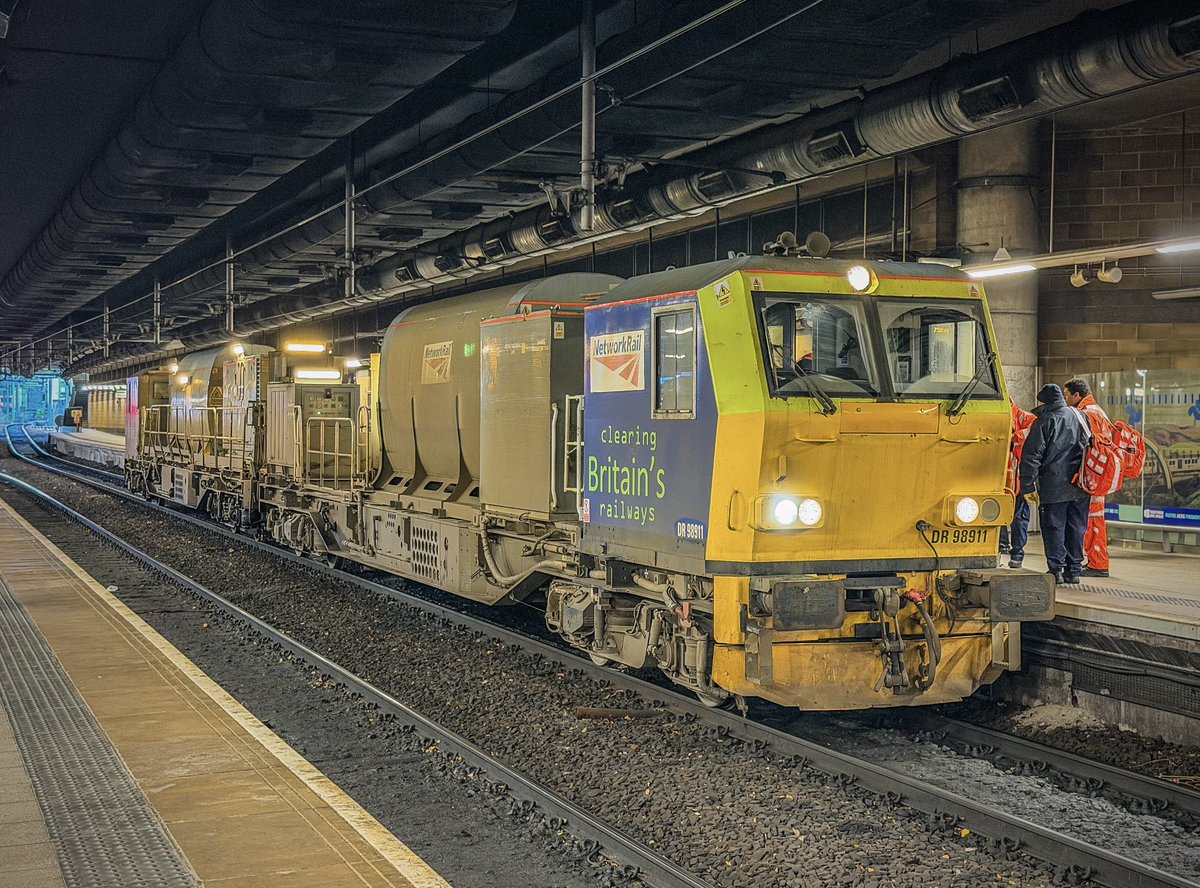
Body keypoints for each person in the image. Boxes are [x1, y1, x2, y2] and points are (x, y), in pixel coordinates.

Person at [1020, 383, 1091, 584]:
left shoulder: (1044, 421)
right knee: (1076, 527)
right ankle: (1074, 571)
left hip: (1054, 486)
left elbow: (1031, 457)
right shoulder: (1080, 416)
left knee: (1054, 527)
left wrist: (1027, 485)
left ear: (1045, 402)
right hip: (1080, 484)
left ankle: (1056, 570)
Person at [1064, 377, 1112, 578]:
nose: (1065, 399)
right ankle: (1097, 561)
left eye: (1067, 395)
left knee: (1093, 520)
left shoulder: (1087, 414)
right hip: (1098, 473)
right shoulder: (1096, 410)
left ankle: (1098, 564)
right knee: (1094, 518)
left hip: (1091, 475)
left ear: (1077, 395)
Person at [1000, 401, 1036, 569]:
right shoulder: (1001, 417)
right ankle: (1002, 545)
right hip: (1000, 480)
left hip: (1020, 480)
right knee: (996, 514)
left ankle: (1017, 553)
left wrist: (1015, 438)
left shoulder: (1025, 419)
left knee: (1020, 517)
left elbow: (1034, 436)